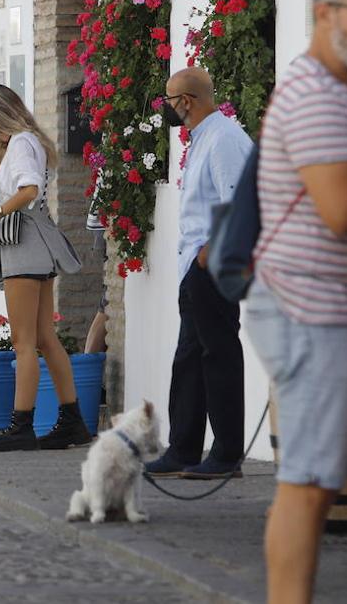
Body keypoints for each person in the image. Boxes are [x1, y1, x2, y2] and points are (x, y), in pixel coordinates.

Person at [244, 0, 347, 604]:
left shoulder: (329, 91)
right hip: (310, 307)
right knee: (308, 484)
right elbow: (340, 209)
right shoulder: (315, 96)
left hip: (316, 306)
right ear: (323, 13)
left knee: (313, 481)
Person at [145, 67, 253, 480]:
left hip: (213, 264)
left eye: (170, 100)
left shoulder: (224, 138)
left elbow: (239, 198)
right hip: (195, 264)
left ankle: (227, 454)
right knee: (190, 357)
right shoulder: (203, 139)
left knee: (219, 355)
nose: (169, 109)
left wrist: (210, 253)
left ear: (186, 101)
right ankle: (184, 447)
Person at [0, 84, 87, 453]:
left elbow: (29, 189)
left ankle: (21, 425)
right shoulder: (28, 141)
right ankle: (72, 421)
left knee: (24, 343)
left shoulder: (21, 143)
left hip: (25, 243)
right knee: (42, 338)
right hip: (36, 242)